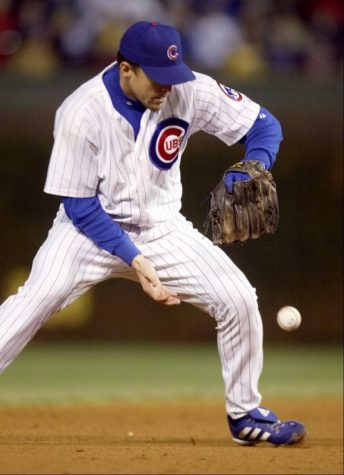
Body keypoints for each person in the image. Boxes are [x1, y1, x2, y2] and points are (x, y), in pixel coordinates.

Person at [0, 21, 306, 446]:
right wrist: (135, 259)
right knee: (34, 301)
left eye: (173, 76)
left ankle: (246, 414)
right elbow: (80, 205)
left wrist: (253, 164)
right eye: (157, 78)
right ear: (126, 68)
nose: (167, 87)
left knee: (238, 299)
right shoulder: (80, 111)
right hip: (85, 232)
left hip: (163, 229)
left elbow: (265, 126)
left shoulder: (188, 89)